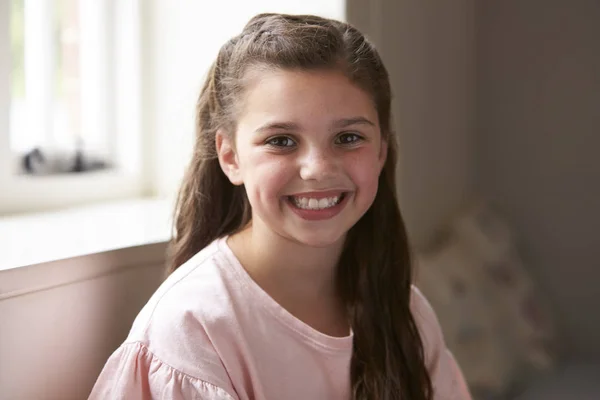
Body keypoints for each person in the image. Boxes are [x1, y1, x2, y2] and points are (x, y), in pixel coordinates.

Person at [89, 13, 471, 400]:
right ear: (231, 157)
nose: (318, 168)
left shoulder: (407, 314)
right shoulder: (193, 330)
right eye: (282, 141)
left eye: (349, 137)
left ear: (381, 152)